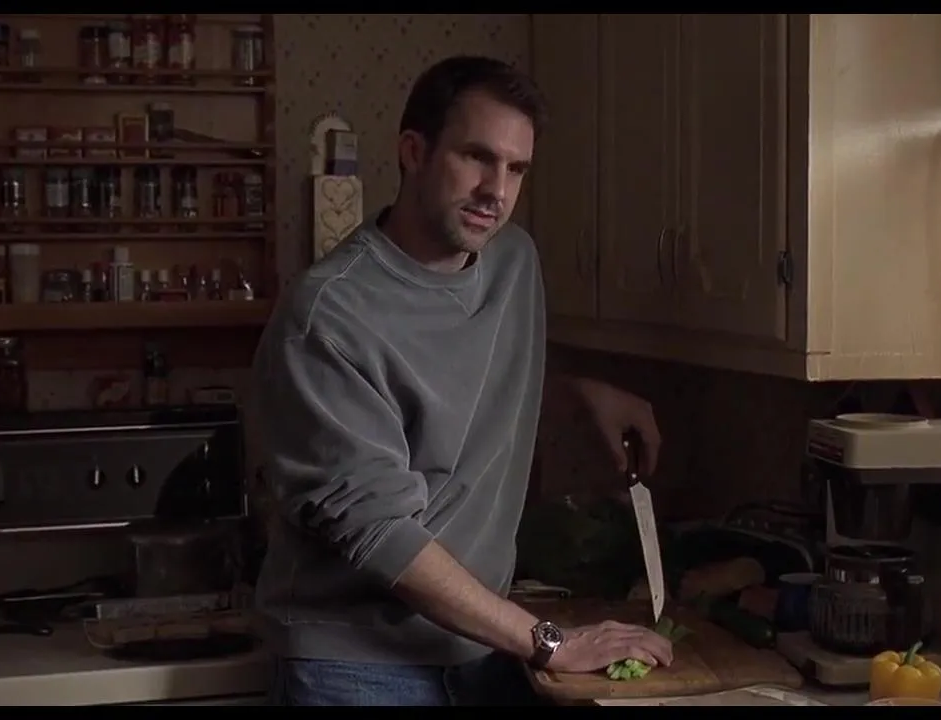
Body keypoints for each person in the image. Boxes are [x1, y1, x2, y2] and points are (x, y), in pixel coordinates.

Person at [251, 55, 674, 706]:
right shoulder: (328, 316)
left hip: (481, 652)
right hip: (354, 668)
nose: (495, 191)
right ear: (413, 152)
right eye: (477, 157)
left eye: (517, 168)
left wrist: (575, 393)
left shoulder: (513, 262)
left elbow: (455, 376)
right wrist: (549, 642)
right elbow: (380, 533)